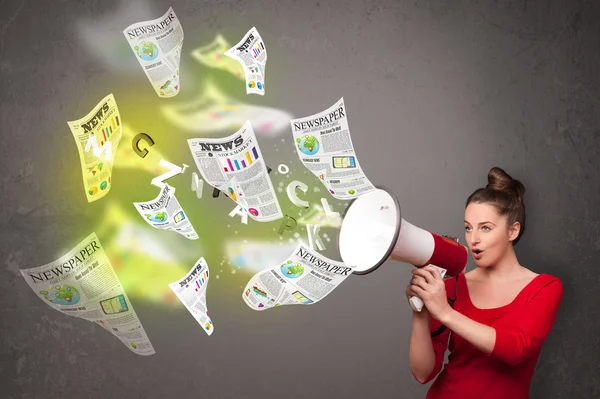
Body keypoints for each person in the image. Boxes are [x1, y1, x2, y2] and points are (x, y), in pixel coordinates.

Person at [406, 167, 564, 399]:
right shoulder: (451, 288)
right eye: (468, 228)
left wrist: (445, 313)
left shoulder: (544, 288)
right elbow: (423, 373)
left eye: (486, 228)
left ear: (513, 230)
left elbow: (516, 350)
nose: (474, 239)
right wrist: (420, 312)